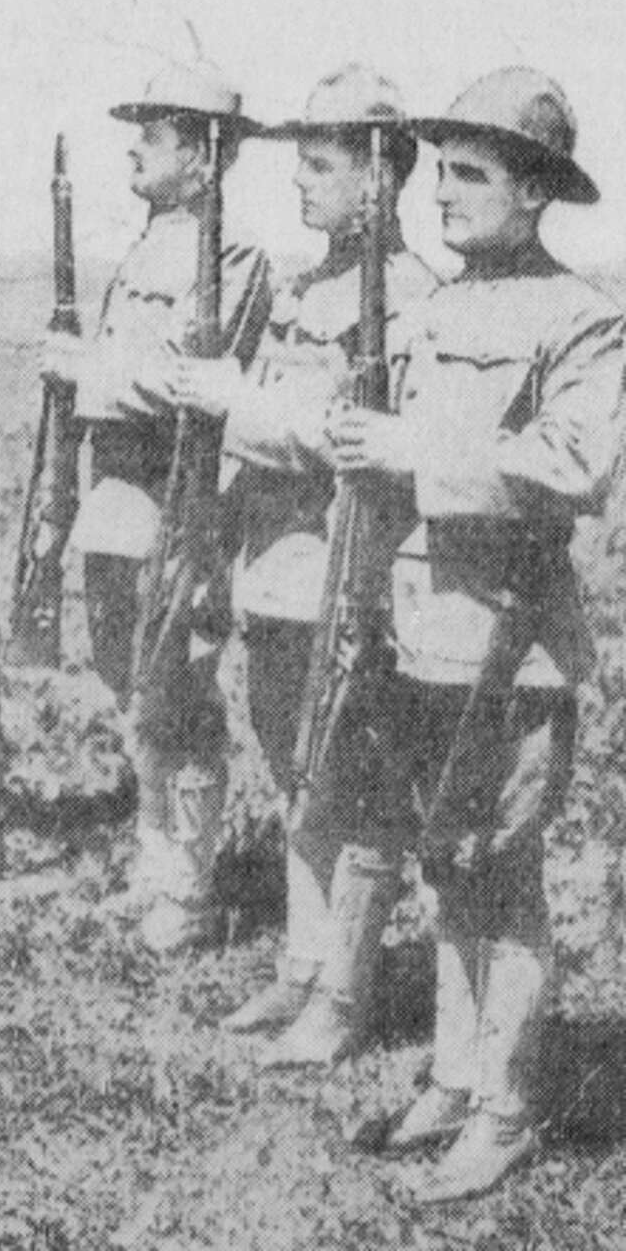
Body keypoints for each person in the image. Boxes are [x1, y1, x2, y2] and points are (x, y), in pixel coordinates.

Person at [330, 68, 625, 1203]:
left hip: (510, 644)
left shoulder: (583, 315)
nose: (440, 194)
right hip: (416, 630)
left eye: (469, 173)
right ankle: (456, 1078)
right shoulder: (434, 305)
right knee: (448, 866)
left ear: (537, 191)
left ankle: (506, 1106)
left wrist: (412, 451)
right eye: (438, 170)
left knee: (504, 875)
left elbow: (575, 467)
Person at [143, 66, 435, 1061]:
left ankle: (346, 994)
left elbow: (363, 437)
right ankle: (305, 966)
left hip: (346, 574)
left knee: (356, 787)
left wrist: (238, 400)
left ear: (381, 178)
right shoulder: (303, 288)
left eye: (321, 166)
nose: (301, 185)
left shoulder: (414, 300)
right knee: (294, 774)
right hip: (272, 566)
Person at [42, 62, 271, 953]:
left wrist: (83, 370)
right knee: (132, 682)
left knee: (178, 690)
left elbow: (188, 385)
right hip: (115, 494)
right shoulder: (147, 247)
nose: (135, 148)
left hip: (175, 499)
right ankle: (155, 865)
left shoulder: (235, 256)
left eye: (155, 134)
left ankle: (188, 885)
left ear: (204, 157)